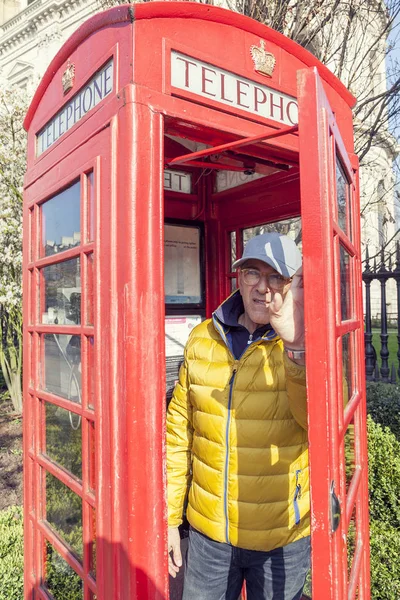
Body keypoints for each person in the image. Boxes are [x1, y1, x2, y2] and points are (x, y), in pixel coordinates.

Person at [166, 232, 310, 600]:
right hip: (209, 535)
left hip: (280, 535)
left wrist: (296, 346)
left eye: (275, 277)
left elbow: (319, 422)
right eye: (252, 274)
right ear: (239, 278)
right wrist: (169, 519)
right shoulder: (202, 339)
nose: (263, 287)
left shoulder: (304, 346)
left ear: (292, 285)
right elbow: (180, 435)